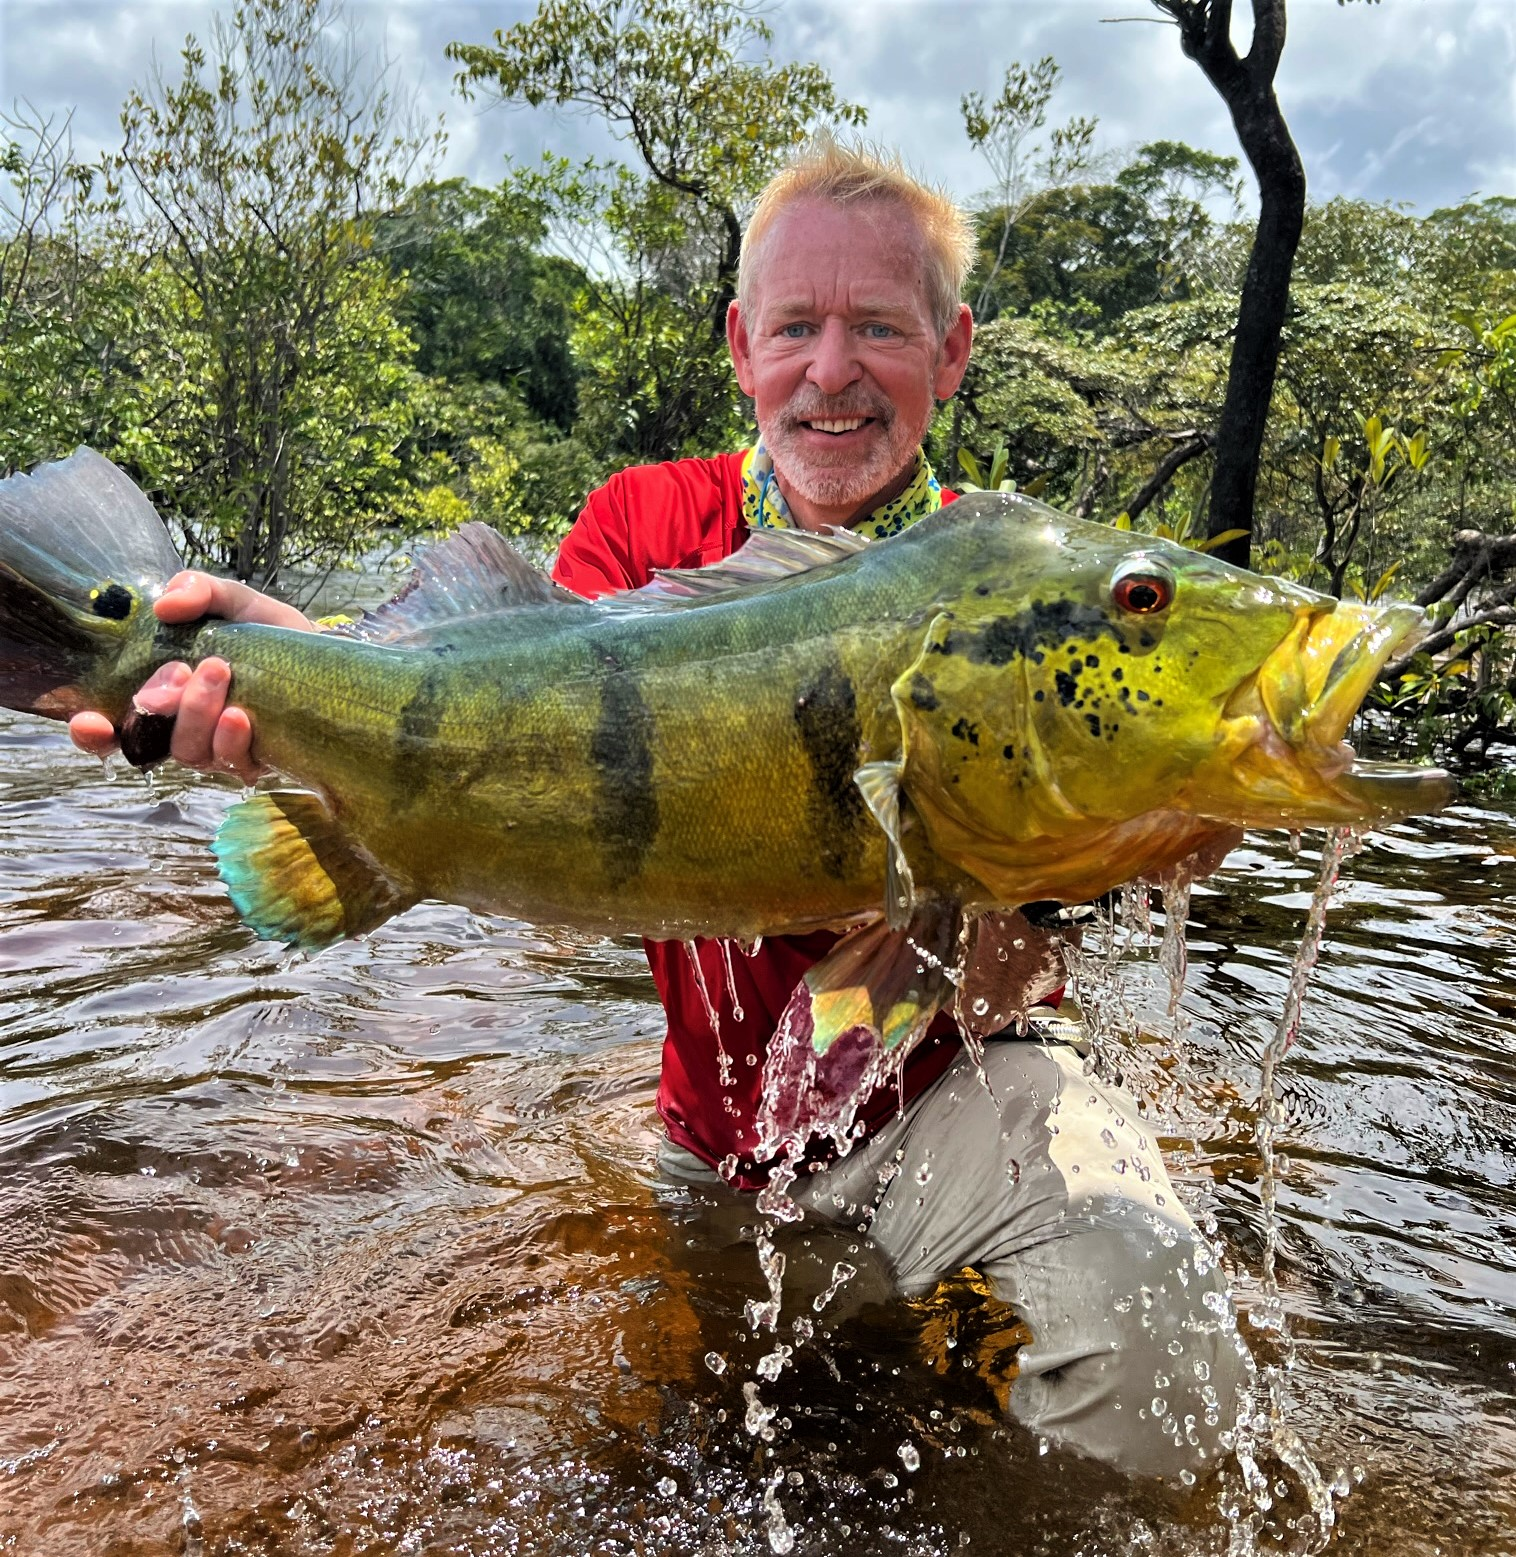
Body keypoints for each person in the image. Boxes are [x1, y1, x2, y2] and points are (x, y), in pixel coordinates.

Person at [70, 137, 1250, 1478]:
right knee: (720, 1445)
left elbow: (1013, 971)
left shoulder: (1037, 590)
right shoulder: (647, 523)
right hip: (711, 1139)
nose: (832, 370)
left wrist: (1114, 845)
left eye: (880, 326)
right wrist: (281, 678)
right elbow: (487, 698)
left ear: (954, 348)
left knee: (1144, 1328)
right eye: (797, 326)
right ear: (743, 346)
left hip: (957, 1096)